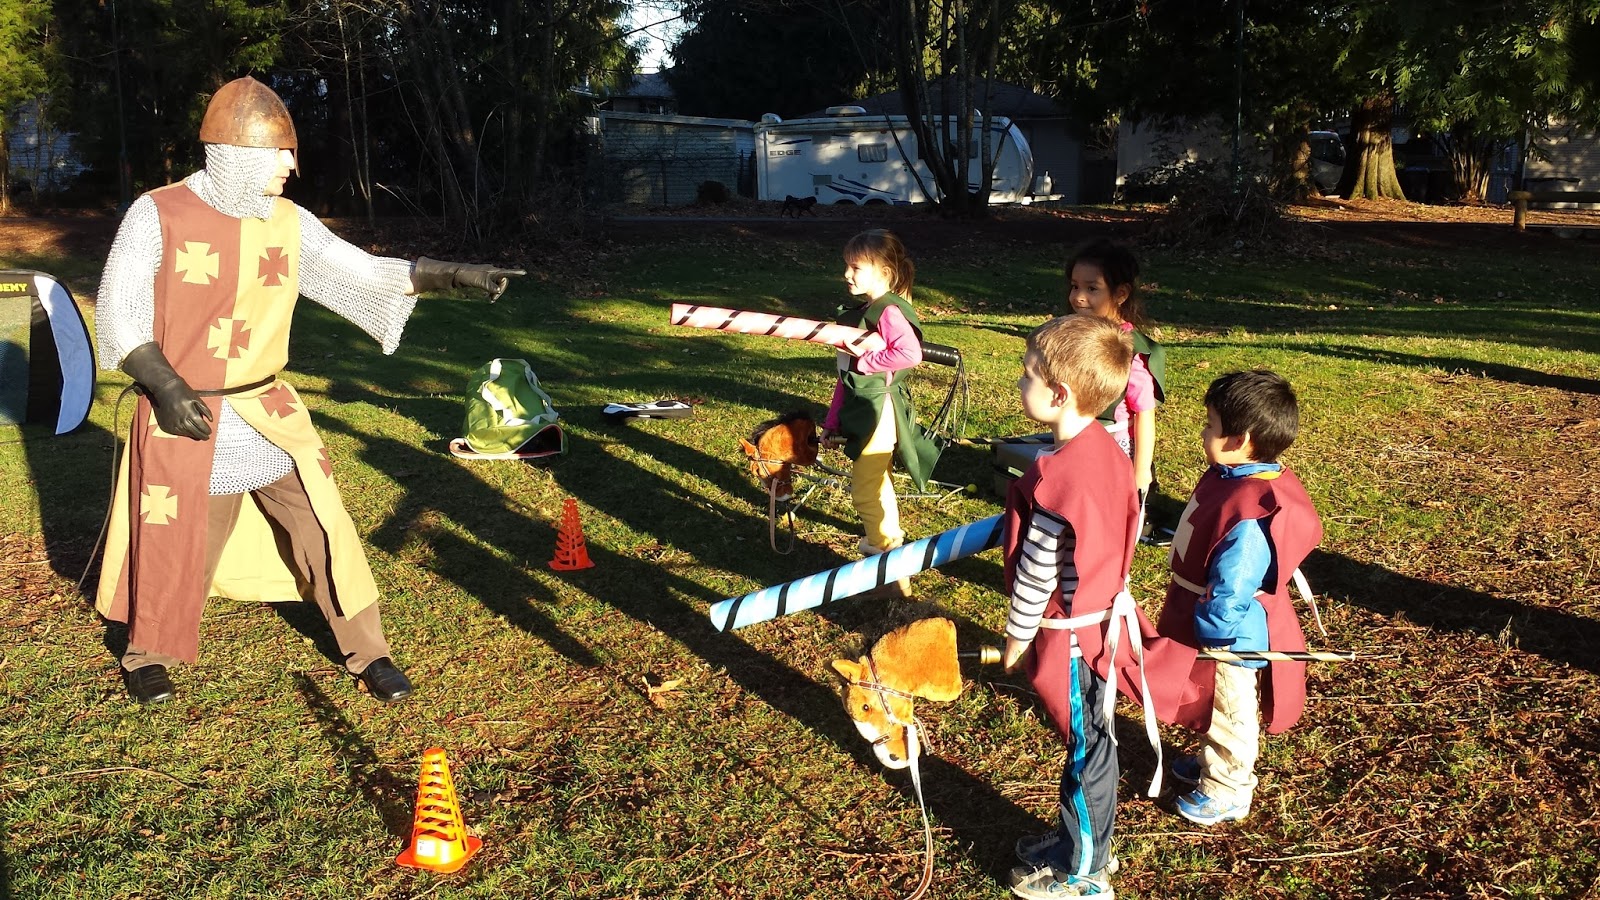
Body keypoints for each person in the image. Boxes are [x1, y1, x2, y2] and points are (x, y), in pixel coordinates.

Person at [93, 76, 524, 705]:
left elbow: (360, 270)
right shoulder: (159, 213)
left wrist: (451, 275)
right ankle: (147, 651)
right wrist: (163, 383)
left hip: (266, 406)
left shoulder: (287, 222)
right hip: (182, 407)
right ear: (237, 155)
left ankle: (368, 652)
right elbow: (117, 312)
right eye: (279, 154)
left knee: (323, 523)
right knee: (176, 531)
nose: (292, 166)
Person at [1001, 315, 1140, 900]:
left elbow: (1037, 573)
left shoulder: (1061, 476)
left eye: (1028, 372)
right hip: (1103, 625)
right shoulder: (1105, 446)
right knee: (1092, 746)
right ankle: (1073, 844)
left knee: (1088, 755)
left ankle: (1084, 872)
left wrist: (1015, 637)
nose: (1020, 380)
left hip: (1079, 640)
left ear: (1059, 394)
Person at [1155, 370, 1323, 826]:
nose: (1203, 432)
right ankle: (1212, 759)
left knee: (1230, 706)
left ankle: (1228, 784)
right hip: (1205, 613)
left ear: (1241, 439)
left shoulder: (1251, 512)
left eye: (1210, 425)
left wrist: (1215, 632)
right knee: (1209, 697)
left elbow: (1233, 583)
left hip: (1228, 631)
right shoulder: (1230, 477)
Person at [820, 230, 939, 580]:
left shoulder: (888, 311)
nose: (846, 274)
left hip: (878, 413)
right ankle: (889, 545)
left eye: (855, 267)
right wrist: (832, 421)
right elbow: (845, 376)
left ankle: (882, 559)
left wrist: (866, 362)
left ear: (884, 273)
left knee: (865, 489)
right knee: (879, 481)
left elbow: (909, 353)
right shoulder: (864, 311)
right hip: (861, 409)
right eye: (846, 266)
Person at [1064, 240, 1165, 498]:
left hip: (1114, 450)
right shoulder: (1078, 336)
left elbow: (1144, 414)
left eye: (1092, 288)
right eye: (1075, 286)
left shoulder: (1129, 351)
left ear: (1121, 294)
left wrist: (1140, 471)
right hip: (1078, 444)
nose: (1078, 297)